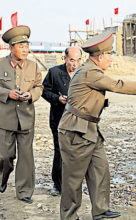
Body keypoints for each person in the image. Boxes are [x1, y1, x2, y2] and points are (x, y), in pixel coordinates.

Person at [58, 32, 136, 220]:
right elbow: (115, 85)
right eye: (110, 55)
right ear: (100, 56)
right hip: (76, 131)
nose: (111, 60)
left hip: (90, 129)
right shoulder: (90, 72)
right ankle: (69, 216)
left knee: (100, 170)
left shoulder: (91, 70)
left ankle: (100, 210)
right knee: (73, 178)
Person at [0, 25, 43, 204]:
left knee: (26, 157)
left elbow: (39, 87)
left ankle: (24, 191)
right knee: (4, 156)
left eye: (26, 46)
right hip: (5, 118)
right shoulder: (1, 64)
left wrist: (31, 96)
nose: (25, 49)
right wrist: (6, 94)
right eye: (20, 46)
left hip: (26, 118)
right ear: (11, 47)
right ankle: (2, 179)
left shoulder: (33, 66)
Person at [42, 46, 82, 196]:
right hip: (58, 118)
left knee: (76, 153)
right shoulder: (54, 72)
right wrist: (57, 99)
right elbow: (44, 91)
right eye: (72, 60)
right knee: (60, 151)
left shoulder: (83, 73)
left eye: (78, 60)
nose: (75, 64)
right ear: (65, 58)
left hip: (79, 120)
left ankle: (72, 184)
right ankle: (57, 185)